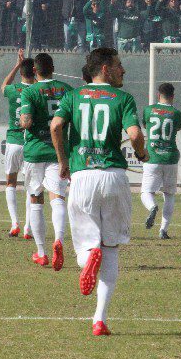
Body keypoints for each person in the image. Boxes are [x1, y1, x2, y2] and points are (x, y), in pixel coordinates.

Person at [50, 47, 147, 336]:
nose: (123, 70)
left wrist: (63, 161)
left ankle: (89, 256)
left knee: (85, 249)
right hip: (114, 177)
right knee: (111, 248)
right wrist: (141, 153)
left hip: (83, 176)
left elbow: (56, 126)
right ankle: (99, 319)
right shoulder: (123, 98)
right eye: (118, 65)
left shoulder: (73, 96)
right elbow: (134, 135)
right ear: (105, 69)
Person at [19, 53, 73, 269]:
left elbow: (26, 121)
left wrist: (23, 120)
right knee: (58, 198)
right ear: (53, 68)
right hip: (58, 151)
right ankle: (58, 240)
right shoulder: (67, 90)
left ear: (34, 70)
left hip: (35, 151)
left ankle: (41, 253)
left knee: (36, 200)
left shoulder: (29, 91)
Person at [140, 82, 181, 239]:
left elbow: (145, 125)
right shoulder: (177, 113)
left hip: (152, 157)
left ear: (158, 95)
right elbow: (177, 128)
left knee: (146, 192)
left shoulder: (148, 111)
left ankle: (152, 207)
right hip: (171, 157)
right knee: (169, 194)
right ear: (173, 96)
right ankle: (163, 230)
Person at [1, 50, 35, 238]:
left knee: (10, 182)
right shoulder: (37, 90)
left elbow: (3, 86)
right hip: (30, 142)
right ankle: (28, 228)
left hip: (14, 142)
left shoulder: (13, 90)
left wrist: (16, 65)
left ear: (21, 72)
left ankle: (15, 223)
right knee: (31, 186)